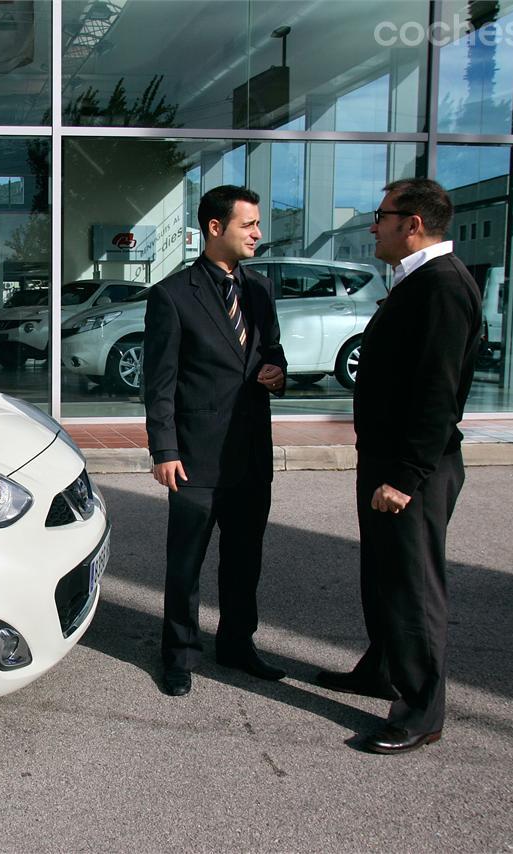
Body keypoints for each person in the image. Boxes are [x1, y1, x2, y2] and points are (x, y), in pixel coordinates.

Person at [315, 178, 482, 754]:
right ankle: (380, 668)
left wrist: (406, 478)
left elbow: (438, 394)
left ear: (413, 223)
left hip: (414, 471)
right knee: (384, 574)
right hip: (390, 463)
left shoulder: (441, 286)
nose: (373, 226)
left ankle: (420, 711)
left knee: (413, 587)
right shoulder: (418, 282)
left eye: (381, 216)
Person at [142, 185, 287, 697]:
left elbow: (273, 352)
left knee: (245, 560)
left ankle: (238, 644)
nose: (257, 233)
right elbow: (158, 382)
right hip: (196, 458)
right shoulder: (173, 294)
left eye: (257, 223)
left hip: (251, 455)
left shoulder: (261, 289)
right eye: (248, 224)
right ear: (215, 228)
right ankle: (179, 655)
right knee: (186, 564)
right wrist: (165, 450)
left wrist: (277, 371)